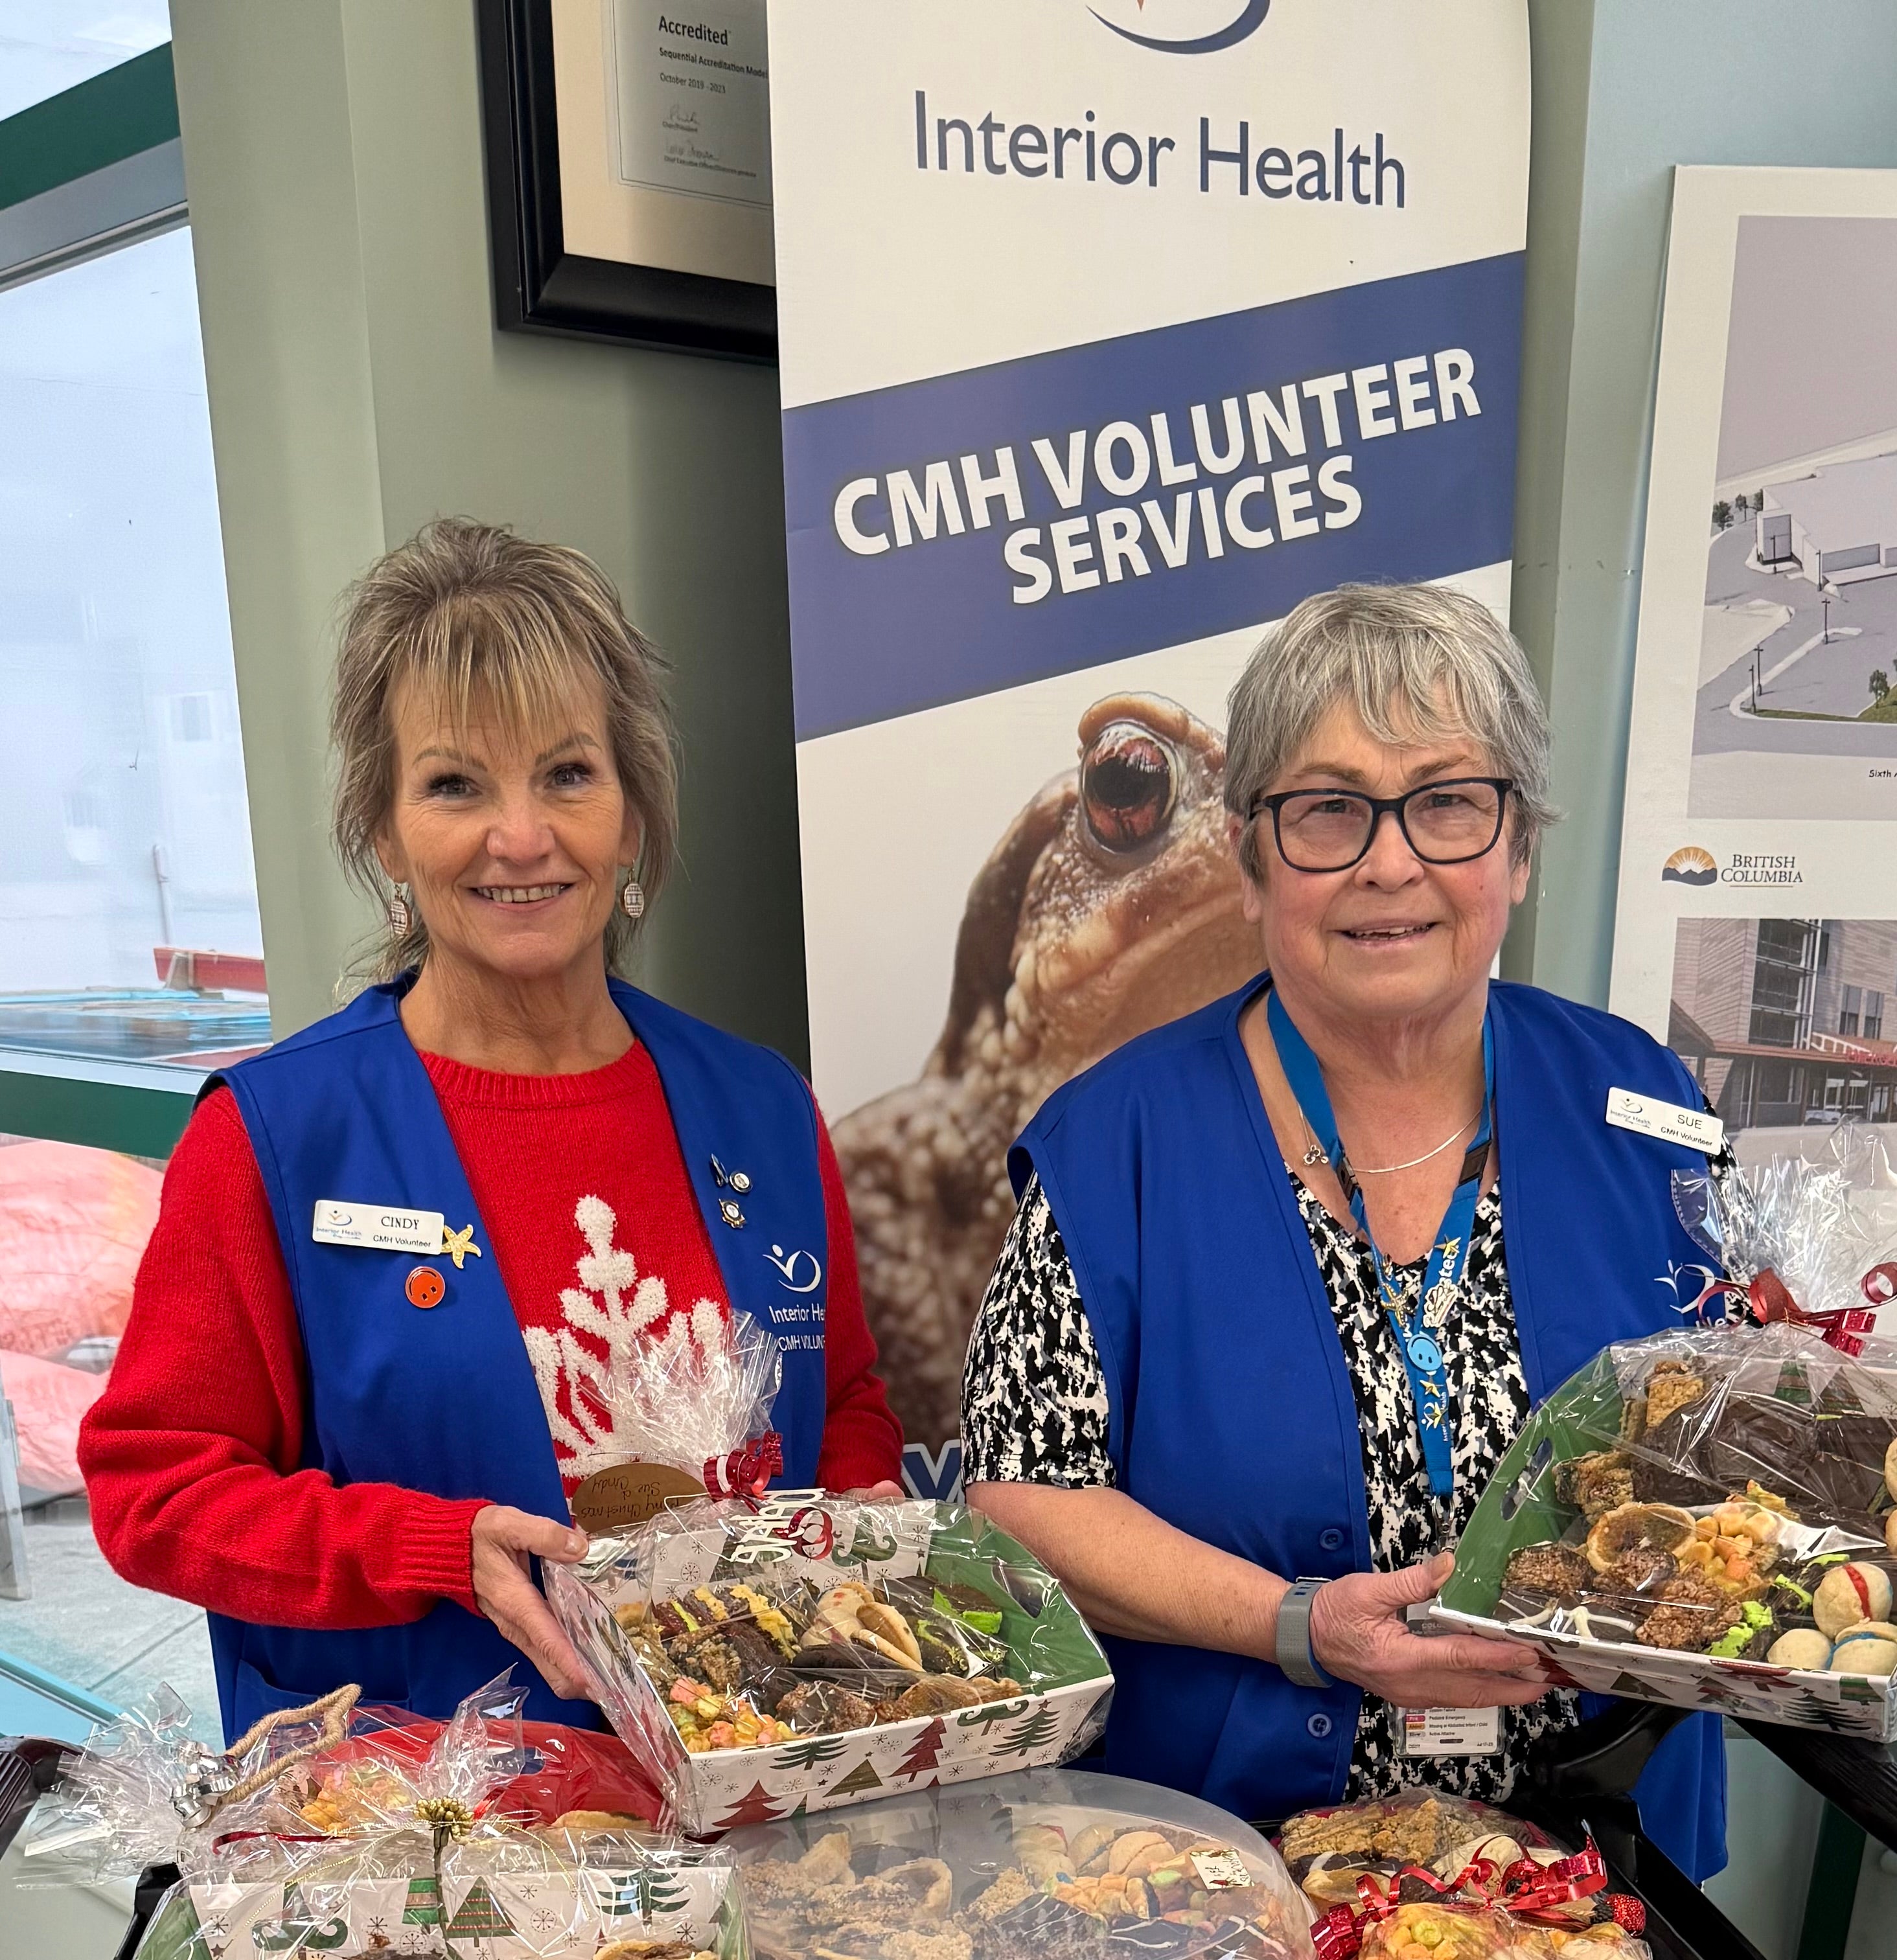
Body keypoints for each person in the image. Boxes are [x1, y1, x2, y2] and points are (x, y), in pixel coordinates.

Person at [82, 519, 903, 1740]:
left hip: (752, 1803)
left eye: (568, 774)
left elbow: (846, 1405)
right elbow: (152, 1488)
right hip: (428, 1846)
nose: (521, 837)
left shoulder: (760, 1106)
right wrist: (425, 1544)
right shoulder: (278, 1139)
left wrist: (857, 1536)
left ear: (631, 817)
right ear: (384, 830)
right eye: (456, 783)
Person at [962, 582, 1729, 1878]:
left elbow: (1742, 1446)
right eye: (1328, 809)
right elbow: (1016, 1501)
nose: (1390, 861)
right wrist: (1296, 1623)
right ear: (1254, 855)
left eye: (1447, 802)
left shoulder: (1648, 1109)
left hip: (1593, 1869)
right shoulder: (1117, 1142)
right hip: (1222, 1872)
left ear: (1519, 847)